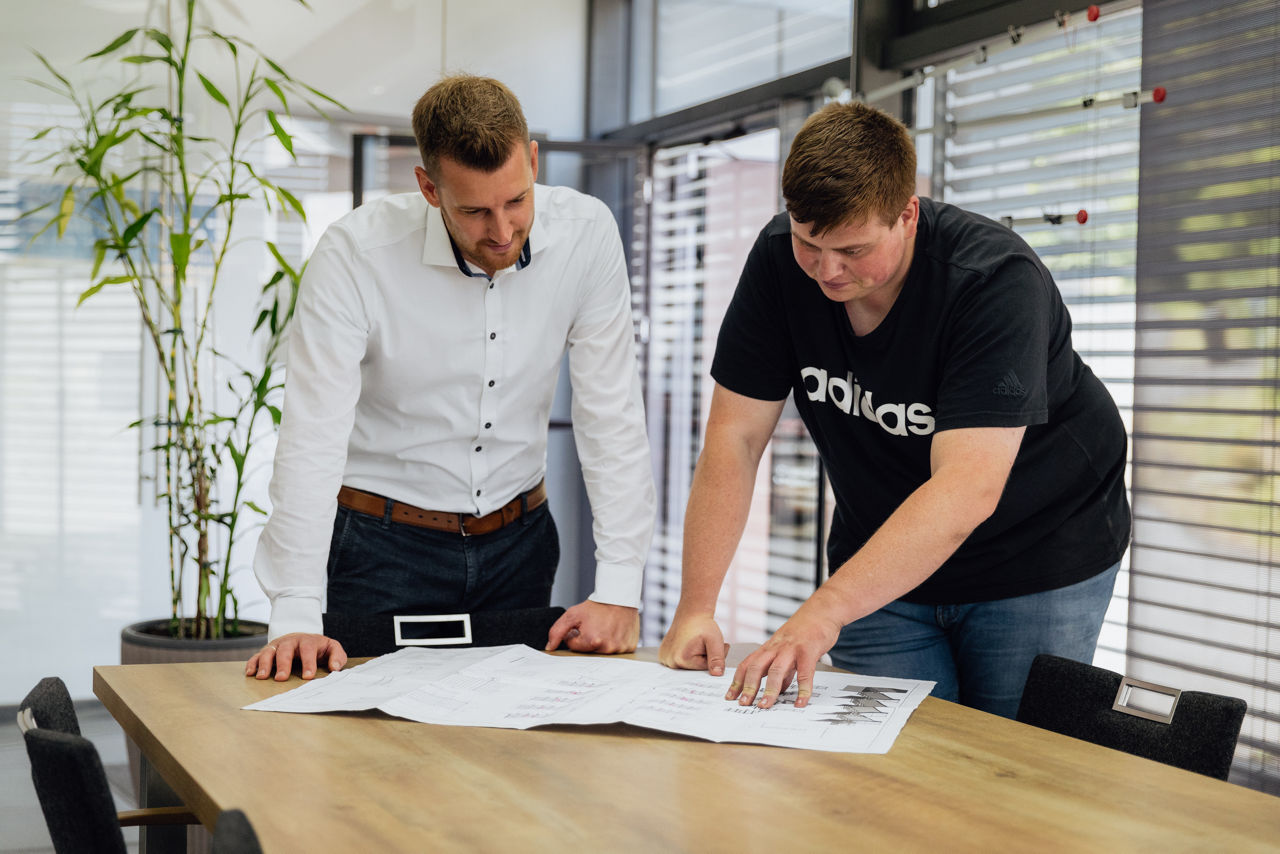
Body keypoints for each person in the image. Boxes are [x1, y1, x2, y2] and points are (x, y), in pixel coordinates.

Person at [658, 100, 1130, 719]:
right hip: (880, 551)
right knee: (887, 754)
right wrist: (695, 607)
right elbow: (735, 439)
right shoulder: (778, 262)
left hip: (1036, 548)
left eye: (853, 249)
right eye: (808, 242)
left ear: (907, 215)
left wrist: (821, 613)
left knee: (1007, 754)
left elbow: (965, 489)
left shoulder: (992, 279)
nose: (826, 270)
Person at [246, 74, 655, 681]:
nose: (503, 231)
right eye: (474, 211)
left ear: (533, 161)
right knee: (361, 736)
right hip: (380, 549)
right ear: (429, 188)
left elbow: (610, 413)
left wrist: (620, 588)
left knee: (509, 732)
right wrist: (295, 608)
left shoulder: (587, 234)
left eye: (516, 200)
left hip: (520, 545)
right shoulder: (355, 255)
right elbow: (313, 434)